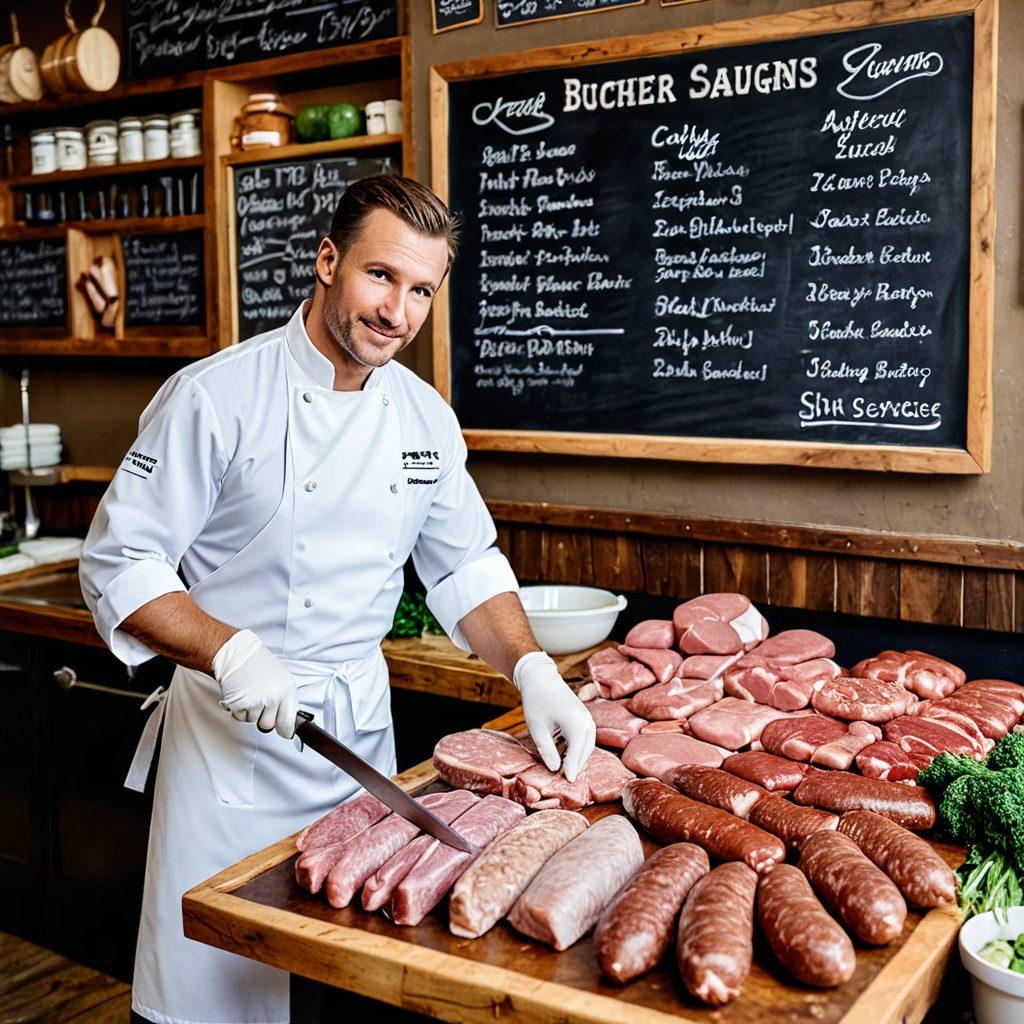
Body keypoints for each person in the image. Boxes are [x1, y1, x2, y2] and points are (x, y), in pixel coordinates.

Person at [79, 174, 596, 1024]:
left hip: (359, 747)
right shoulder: (216, 396)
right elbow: (119, 566)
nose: (398, 310)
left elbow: (466, 566)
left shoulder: (424, 418)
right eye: (380, 276)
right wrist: (230, 651)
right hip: (230, 751)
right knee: (215, 996)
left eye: (422, 289)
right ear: (327, 262)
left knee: (345, 991)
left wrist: (533, 669)